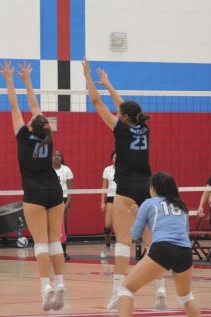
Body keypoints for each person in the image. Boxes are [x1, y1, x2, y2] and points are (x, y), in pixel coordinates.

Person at [82, 57, 165, 310]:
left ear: (123, 117)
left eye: (119, 113)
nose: (116, 113)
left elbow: (96, 103)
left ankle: (118, 292)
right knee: (152, 240)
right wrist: (108, 84)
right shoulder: (143, 127)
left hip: (127, 187)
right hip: (148, 186)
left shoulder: (120, 129)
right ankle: (161, 290)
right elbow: (124, 106)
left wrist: (88, 78)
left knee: (123, 241)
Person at [0, 60, 66, 311]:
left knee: (39, 242)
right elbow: (34, 106)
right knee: (54, 241)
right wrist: (28, 79)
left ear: (30, 125)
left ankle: (45, 287)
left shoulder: (23, 136)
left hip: (35, 192)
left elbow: (15, 104)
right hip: (55, 190)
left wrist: (10, 79)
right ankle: (60, 283)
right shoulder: (49, 137)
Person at [117, 172, 202, 317]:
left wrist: (137, 216)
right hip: (185, 252)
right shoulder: (181, 206)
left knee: (126, 289)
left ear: (153, 188)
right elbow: (185, 231)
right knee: (185, 296)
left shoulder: (149, 203)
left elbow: (135, 235)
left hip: (163, 248)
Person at [52, 150, 74, 261]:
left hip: (64, 199)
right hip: (51, 200)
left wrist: (67, 203)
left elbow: (71, 190)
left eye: (58, 155)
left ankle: (64, 252)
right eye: (54, 155)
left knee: (63, 226)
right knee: (52, 226)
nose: (56, 157)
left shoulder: (66, 170)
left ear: (61, 157)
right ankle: (53, 252)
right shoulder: (48, 170)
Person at [100, 150, 117, 258]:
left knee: (122, 226)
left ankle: (122, 248)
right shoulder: (108, 170)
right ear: (112, 159)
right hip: (111, 197)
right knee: (107, 227)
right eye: (114, 157)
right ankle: (107, 245)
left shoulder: (125, 169)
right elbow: (104, 186)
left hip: (122, 197)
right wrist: (102, 202)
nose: (116, 159)